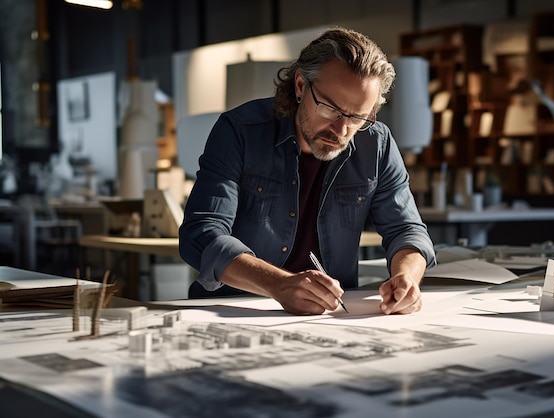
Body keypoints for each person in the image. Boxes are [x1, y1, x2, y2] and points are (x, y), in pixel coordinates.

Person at [179, 27, 436, 315]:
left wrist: (407, 278)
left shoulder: (377, 143)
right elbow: (201, 235)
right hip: (234, 311)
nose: (341, 130)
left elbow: (406, 229)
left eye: (358, 117)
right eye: (330, 108)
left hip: (331, 317)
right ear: (301, 84)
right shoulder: (239, 132)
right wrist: (279, 284)